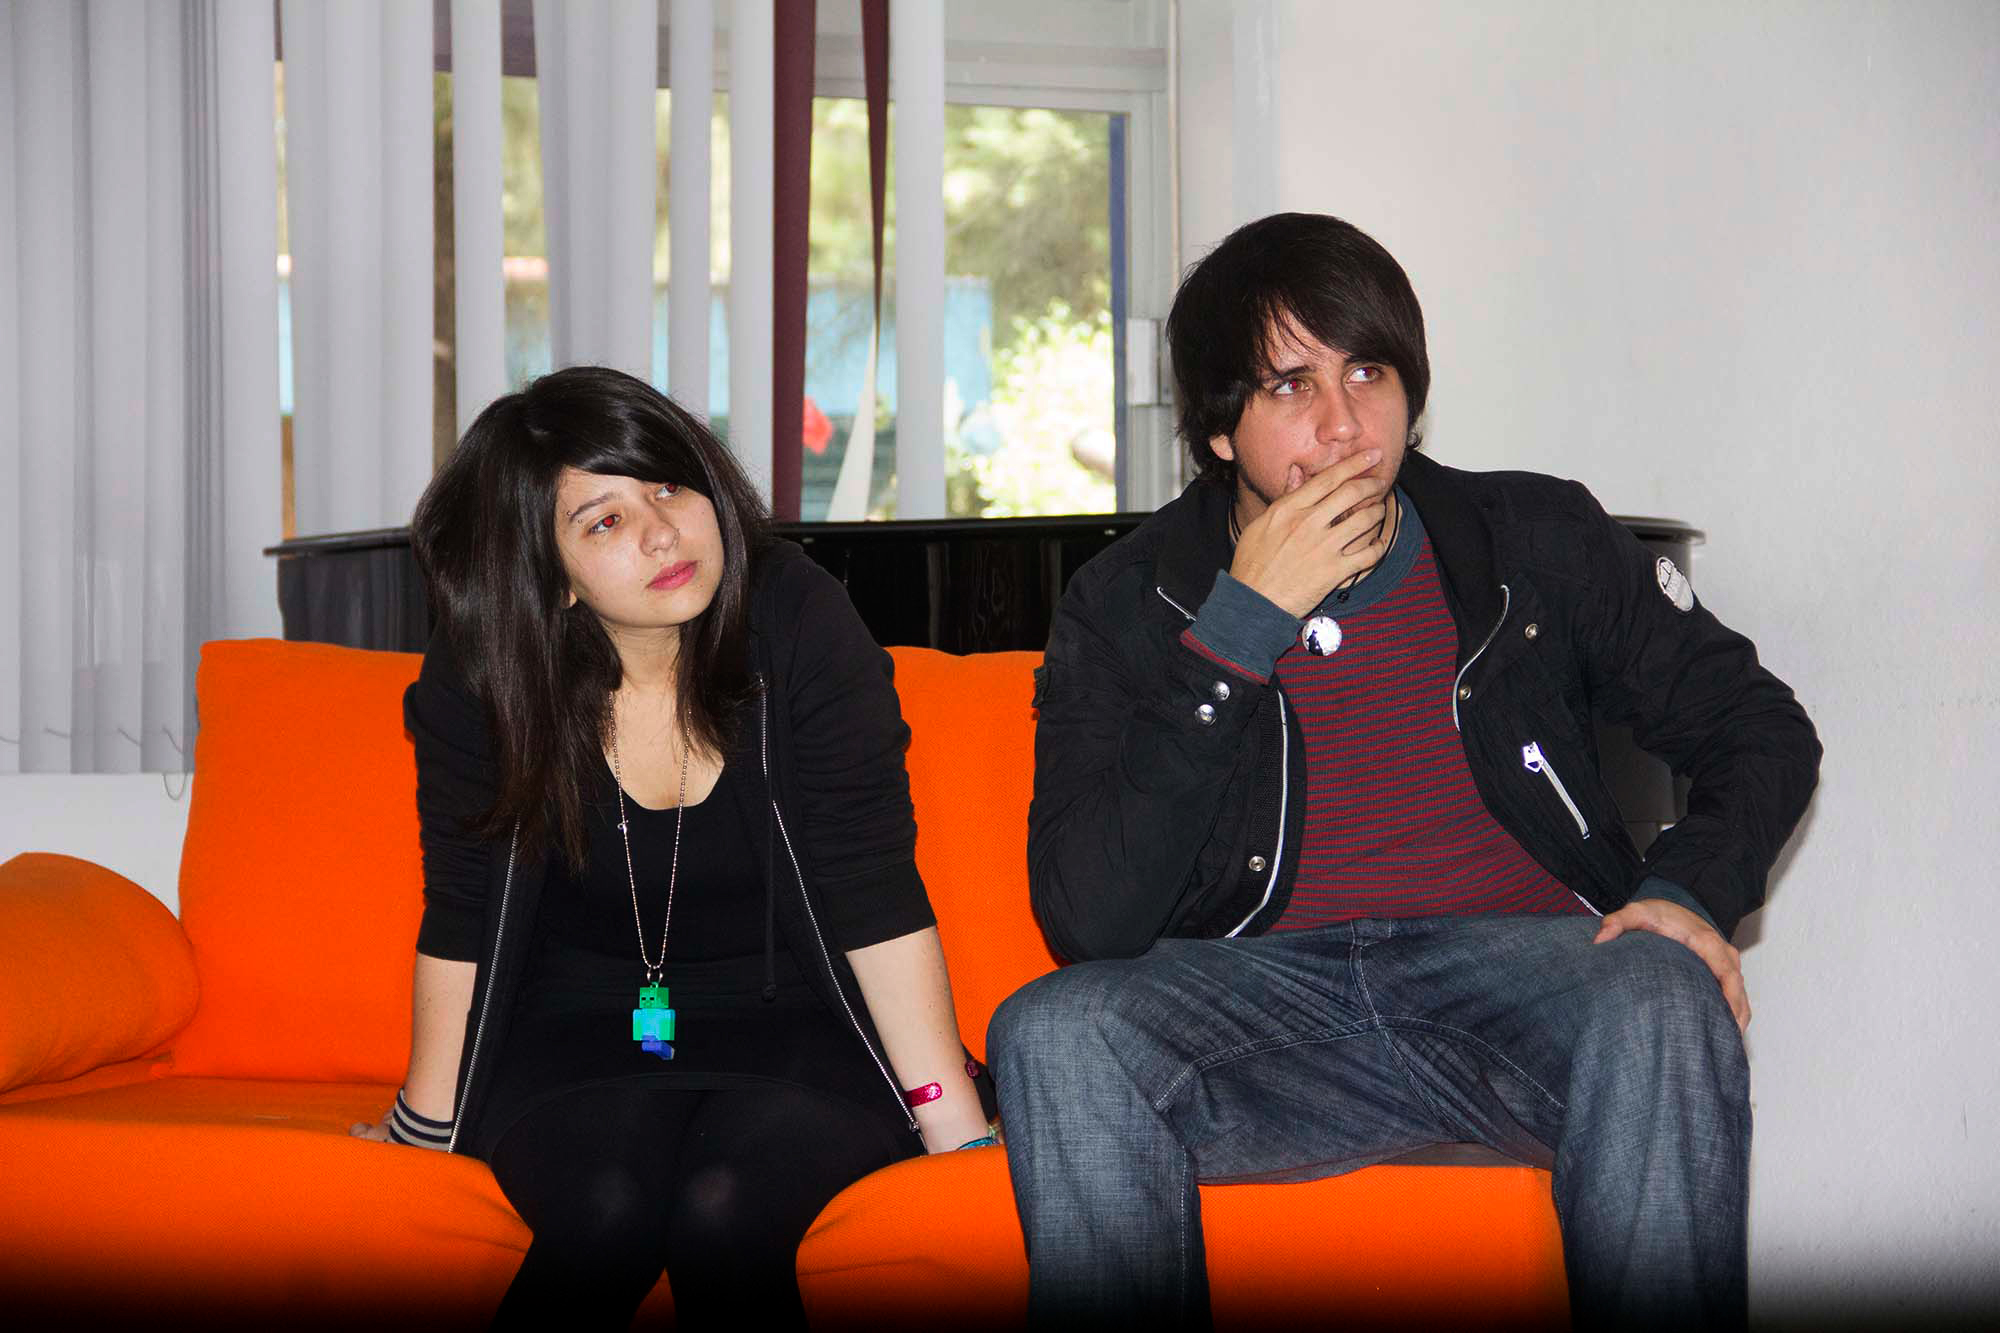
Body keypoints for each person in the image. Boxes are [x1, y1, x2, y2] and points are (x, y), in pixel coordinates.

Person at [989, 213, 1821, 1330]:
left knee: (1659, 986)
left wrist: (1686, 891)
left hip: (1519, 988)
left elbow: (1757, 725)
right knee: (1053, 1028)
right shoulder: (1128, 600)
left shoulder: (1529, 538)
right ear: (1219, 431)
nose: (1342, 427)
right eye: (1291, 386)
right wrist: (1236, 632)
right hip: (1261, 1010)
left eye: (1367, 374)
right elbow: (1088, 916)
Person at [350, 365, 995, 1329]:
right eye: (604, 520)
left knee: (726, 1213)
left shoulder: (799, 619)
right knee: (601, 1212)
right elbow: (463, 906)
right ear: (549, 577)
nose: (662, 532)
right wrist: (425, 1122)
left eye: (668, 485)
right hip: (576, 1026)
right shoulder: (485, 675)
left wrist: (956, 1127)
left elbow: (873, 887)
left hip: (799, 1021)